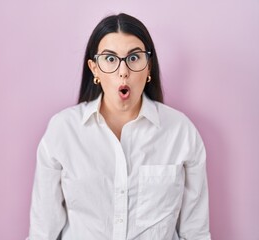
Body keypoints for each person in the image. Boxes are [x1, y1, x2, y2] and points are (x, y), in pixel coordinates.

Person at [28, 13, 211, 240]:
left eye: (134, 58)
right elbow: (42, 233)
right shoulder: (63, 130)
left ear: (148, 67)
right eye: (111, 59)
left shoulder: (180, 132)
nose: (123, 71)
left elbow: (196, 233)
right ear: (95, 69)